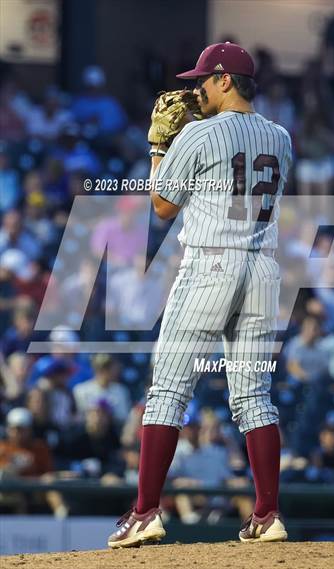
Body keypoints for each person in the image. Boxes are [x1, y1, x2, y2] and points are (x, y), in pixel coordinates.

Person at [108, 42, 292, 547]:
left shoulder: (198, 132)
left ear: (226, 80)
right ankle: (267, 514)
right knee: (253, 396)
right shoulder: (281, 136)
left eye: (204, 81)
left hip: (210, 263)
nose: (196, 90)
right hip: (263, 270)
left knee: (167, 390)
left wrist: (158, 148)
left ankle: (144, 512)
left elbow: (163, 206)